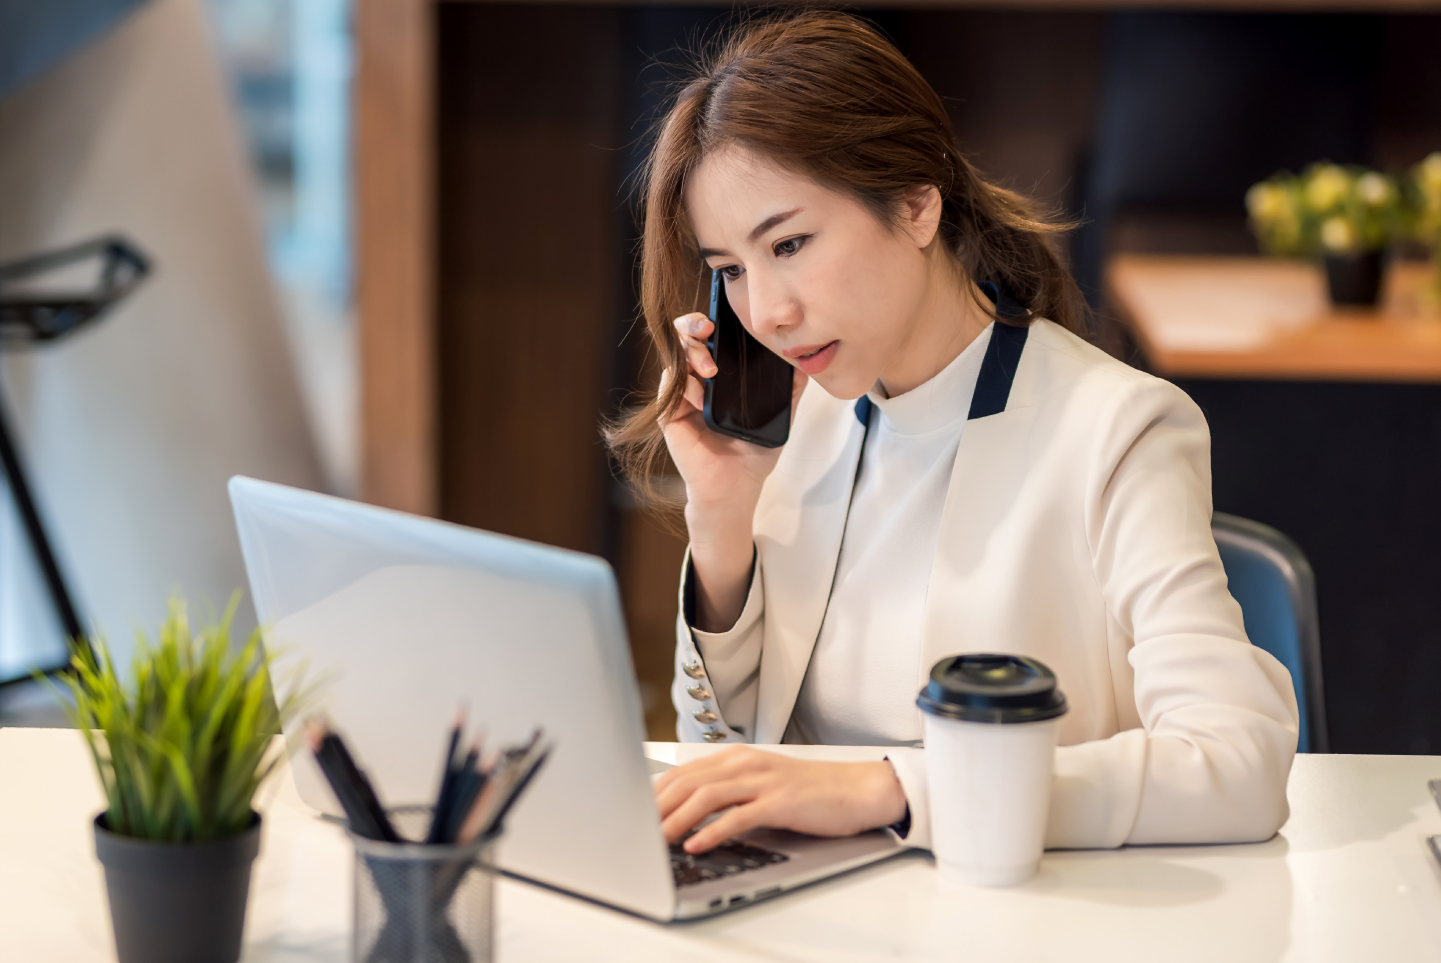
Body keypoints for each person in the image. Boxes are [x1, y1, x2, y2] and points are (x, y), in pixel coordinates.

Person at [606, 11, 1298, 857]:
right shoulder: (801, 424)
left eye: (789, 242)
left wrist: (893, 787)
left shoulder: (1117, 427)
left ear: (915, 204)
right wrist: (719, 519)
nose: (767, 312)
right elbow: (721, 773)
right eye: (730, 271)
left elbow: (1238, 763)